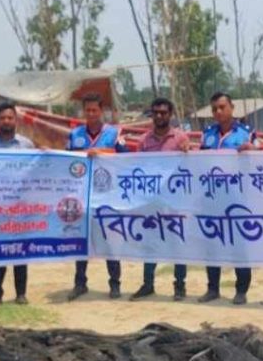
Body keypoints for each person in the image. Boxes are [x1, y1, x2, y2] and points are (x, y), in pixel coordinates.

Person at [199, 92, 260, 305]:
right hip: (211, 197)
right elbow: (198, 163)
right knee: (211, 244)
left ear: (232, 108)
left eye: (222, 107)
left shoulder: (246, 133)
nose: (218, 111)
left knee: (239, 244)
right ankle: (212, 288)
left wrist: (253, 150)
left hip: (238, 198)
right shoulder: (207, 134)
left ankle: (241, 290)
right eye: (214, 108)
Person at [129, 98, 191, 301]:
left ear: (170, 114)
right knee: (150, 242)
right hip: (151, 200)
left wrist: (189, 152)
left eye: (163, 112)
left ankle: (179, 286)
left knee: (177, 242)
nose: (159, 116)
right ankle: (148, 284)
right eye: (156, 112)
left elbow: (191, 166)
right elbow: (137, 169)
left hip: (174, 200)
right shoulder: (144, 141)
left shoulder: (180, 138)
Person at [66, 93, 126, 301]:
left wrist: (100, 152)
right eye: (88, 110)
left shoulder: (114, 133)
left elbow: (126, 157)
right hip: (82, 194)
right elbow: (66, 160)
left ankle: (115, 284)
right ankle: (80, 283)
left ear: (102, 111)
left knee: (109, 239)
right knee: (81, 239)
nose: (91, 114)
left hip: (107, 195)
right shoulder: (75, 134)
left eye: (95, 110)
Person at [0, 102, 35, 305]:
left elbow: (35, 172)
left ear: (15, 120)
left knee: (20, 251)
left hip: (20, 208)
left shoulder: (26, 145)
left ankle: (21, 293)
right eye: (2, 118)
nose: (6, 121)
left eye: (10, 118)